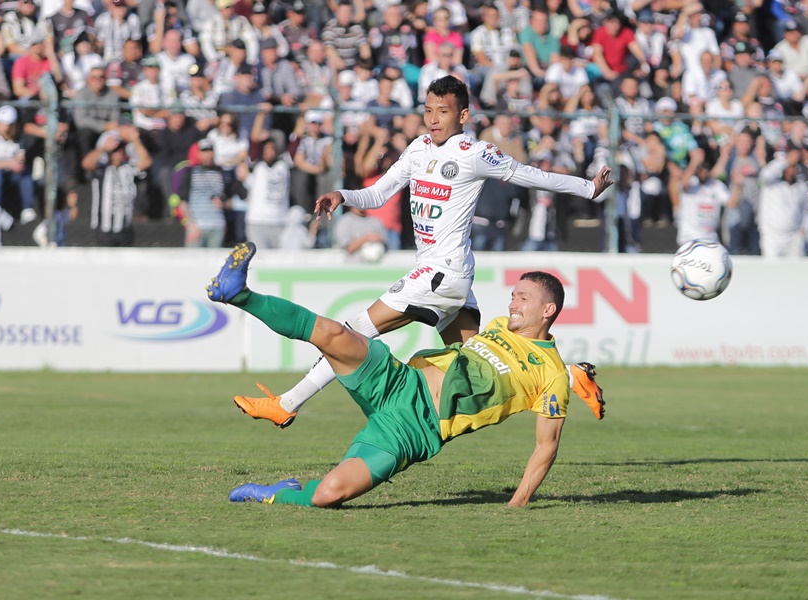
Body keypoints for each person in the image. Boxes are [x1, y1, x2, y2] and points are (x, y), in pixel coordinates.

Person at [231, 75, 613, 429]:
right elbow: (378, 193)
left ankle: (288, 403)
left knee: (353, 333)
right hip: (451, 277)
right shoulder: (417, 149)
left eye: (442, 112)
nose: (433, 119)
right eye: (428, 110)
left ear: (463, 115)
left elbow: (531, 175)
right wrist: (343, 196)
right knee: (478, 361)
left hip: (439, 274)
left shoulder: (475, 152)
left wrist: (587, 188)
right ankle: (567, 374)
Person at [207, 244, 605, 508]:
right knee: (334, 334)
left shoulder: (550, 375)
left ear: (548, 310)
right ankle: (238, 293)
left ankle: (278, 493)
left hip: (415, 430)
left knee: (329, 495)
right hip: (399, 382)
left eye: (523, 298)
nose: (512, 302)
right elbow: (460, 334)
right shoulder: (498, 326)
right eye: (514, 295)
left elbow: (546, 446)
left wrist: (518, 502)